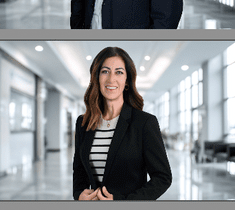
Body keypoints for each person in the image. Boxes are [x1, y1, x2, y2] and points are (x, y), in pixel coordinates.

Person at [73, 47, 171, 201]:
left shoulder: (144, 123)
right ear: (97, 77)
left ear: (127, 81)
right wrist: (78, 194)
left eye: (119, 72)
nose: (111, 79)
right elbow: (79, 170)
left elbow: (163, 178)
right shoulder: (83, 122)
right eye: (105, 71)